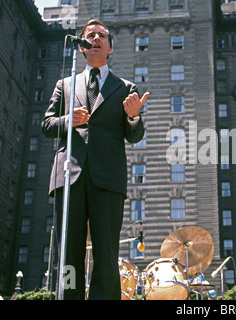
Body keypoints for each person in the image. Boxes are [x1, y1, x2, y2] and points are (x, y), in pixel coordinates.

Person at [41, 19, 149, 300]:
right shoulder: (65, 84)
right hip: (70, 176)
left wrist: (134, 116)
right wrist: (68, 121)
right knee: (69, 253)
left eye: (102, 35)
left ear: (110, 48)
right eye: (91, 35)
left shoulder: (125, 87)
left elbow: (134, 136)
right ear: (82, 47)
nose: (97, 38)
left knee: (106, 251)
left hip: (108, 179)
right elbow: (46, 125)